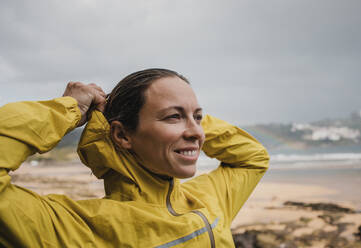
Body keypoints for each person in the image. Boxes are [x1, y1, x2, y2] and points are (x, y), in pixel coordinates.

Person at [0, 68, 269, 247]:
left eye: (198, 117)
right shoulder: (79, 228)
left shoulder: (209, 198)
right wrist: (66, 110)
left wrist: (186, 121)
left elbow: (253, 157)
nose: (198, 132)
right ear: (122, 135)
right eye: (173, 116)